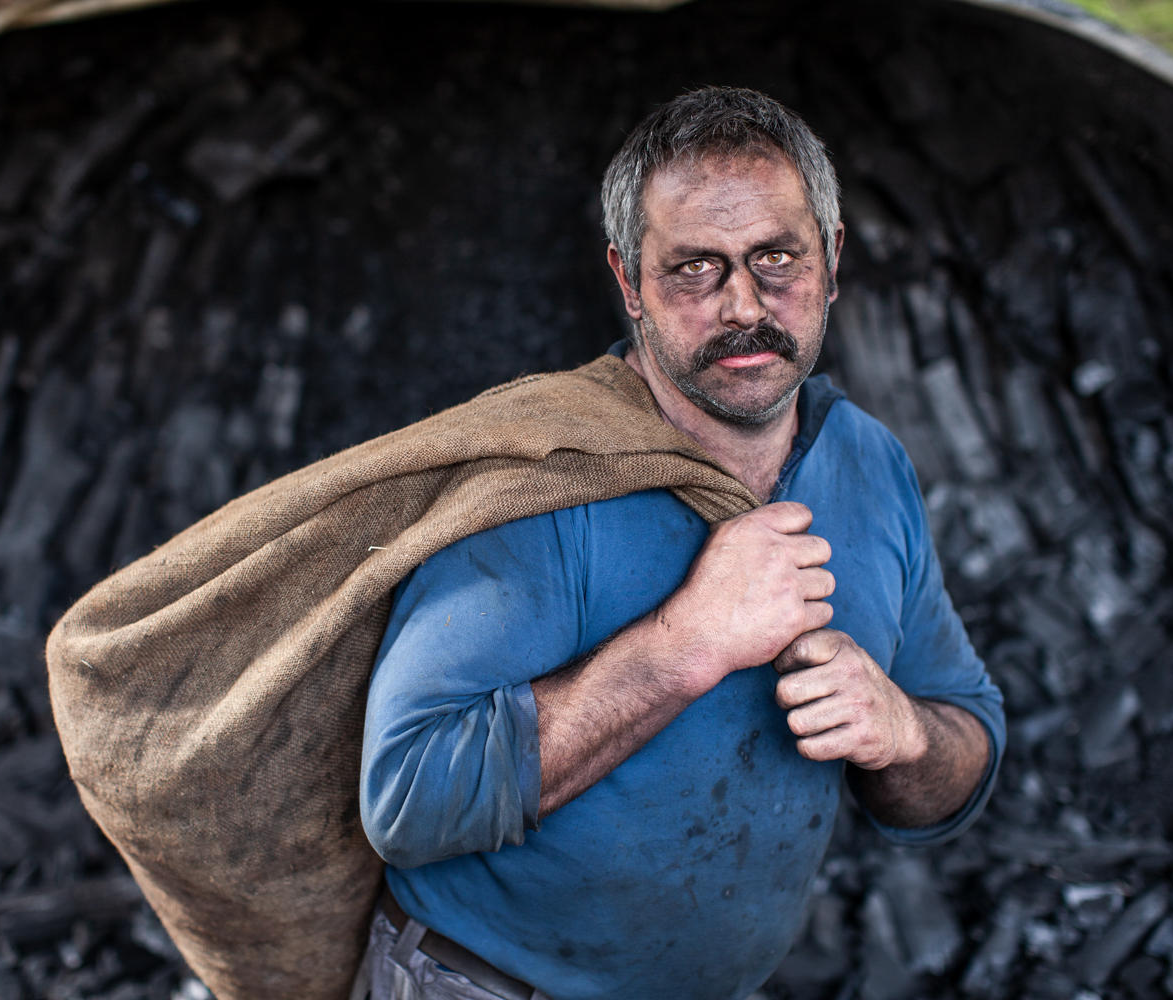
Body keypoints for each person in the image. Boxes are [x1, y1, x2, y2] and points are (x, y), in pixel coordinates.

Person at [352, 87, 1005, 1000]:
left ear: (832, 258)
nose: (744, 305)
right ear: (629, 283)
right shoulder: (544, 475)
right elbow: (406, 801)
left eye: (777, 257)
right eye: (695, 268)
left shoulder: (868, 462)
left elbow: (963, 751)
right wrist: (683, 647)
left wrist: (903, 733)